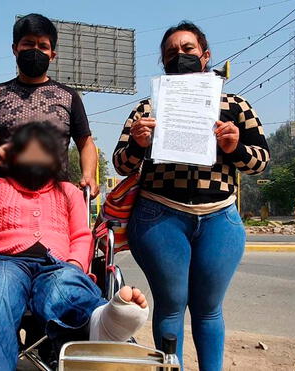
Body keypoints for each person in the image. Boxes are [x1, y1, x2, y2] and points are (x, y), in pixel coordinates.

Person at [112, 22, 270, 371]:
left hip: (220, 219)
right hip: (160, 216)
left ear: (206, 55)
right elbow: (121, 164)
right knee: (170, 304)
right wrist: (137, 144)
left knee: (209, 308)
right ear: (163, 62)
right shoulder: (147, 109)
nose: (179, 56)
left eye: (187, 49)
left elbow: (260, 162)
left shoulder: (235, 106)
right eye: (171, 53)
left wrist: (235, 146)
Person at [0, 122, 149, 371]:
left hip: (57, 263)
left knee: (64, 286)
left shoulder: (69, 192)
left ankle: (101, 323)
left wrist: (74, 264)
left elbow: (82, 236)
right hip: (7, 261)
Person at [0, 13, 98, 197]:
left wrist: (89, 175)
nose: (35, 50)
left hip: (55, 200)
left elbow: (86, 143)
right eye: (28, 43)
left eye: (43, 46)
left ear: (52, 55)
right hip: (4, 197)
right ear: (15, 49)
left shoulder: (68, 97)